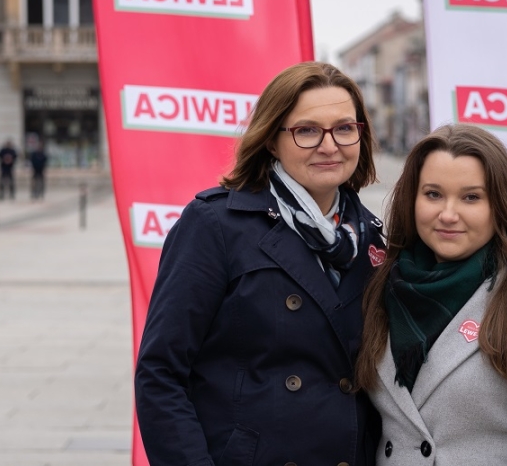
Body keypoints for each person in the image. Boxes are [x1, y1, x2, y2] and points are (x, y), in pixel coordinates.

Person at [135, 62, 385, 466]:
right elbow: (160, 374)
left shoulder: (371, 238)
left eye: (344, 128)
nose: (329, 146)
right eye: (307, 131)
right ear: (271, 140)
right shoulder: (215, 224)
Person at [355, 124, 507, 465]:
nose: (448, 214)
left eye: (471, 197)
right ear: (412, 200)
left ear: (500, 205)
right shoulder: (383, 285)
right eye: (433, 194)